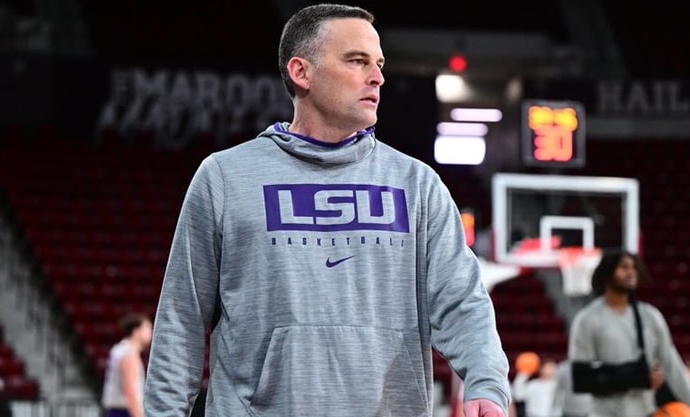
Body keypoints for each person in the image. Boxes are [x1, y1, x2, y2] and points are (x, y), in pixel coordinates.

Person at [143, 3, 510, 417]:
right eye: (357, 61)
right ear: (302, 73)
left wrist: (485, 380)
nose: (378, 77)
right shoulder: (224, 177)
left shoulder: (418, 185)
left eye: (379, 64)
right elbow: (181, 319)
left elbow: (462, 301)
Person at [568, 250, 690, 417]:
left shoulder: (650, 316)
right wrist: (634, 378)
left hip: (645, 412)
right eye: (624, 267)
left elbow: (673, 366)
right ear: (607, 274)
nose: (631, 272)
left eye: (634, 267)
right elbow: (581, 379)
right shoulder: (587, 320)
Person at [101, 313, 153, 417]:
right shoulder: (129, 354)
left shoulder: (119, 349)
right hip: (125, 412)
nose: (151, 332)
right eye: (147, 328)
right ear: (136, 331)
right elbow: (131, 392)